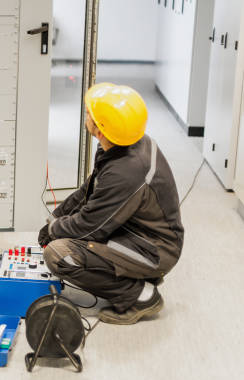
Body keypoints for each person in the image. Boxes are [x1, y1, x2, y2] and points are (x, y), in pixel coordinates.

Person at [38, 82, 184, 325]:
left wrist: (55, 231)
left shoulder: (126, 171)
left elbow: (91, 226)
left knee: (60, 255)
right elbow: (90, 190)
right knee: (66, 234)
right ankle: (131, 277)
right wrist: (56, 219)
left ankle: (140, 296)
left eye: (90, 114)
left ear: (100, 130)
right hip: (136, 231)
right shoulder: (125, 143)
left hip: (155, 249)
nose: (87, 115)